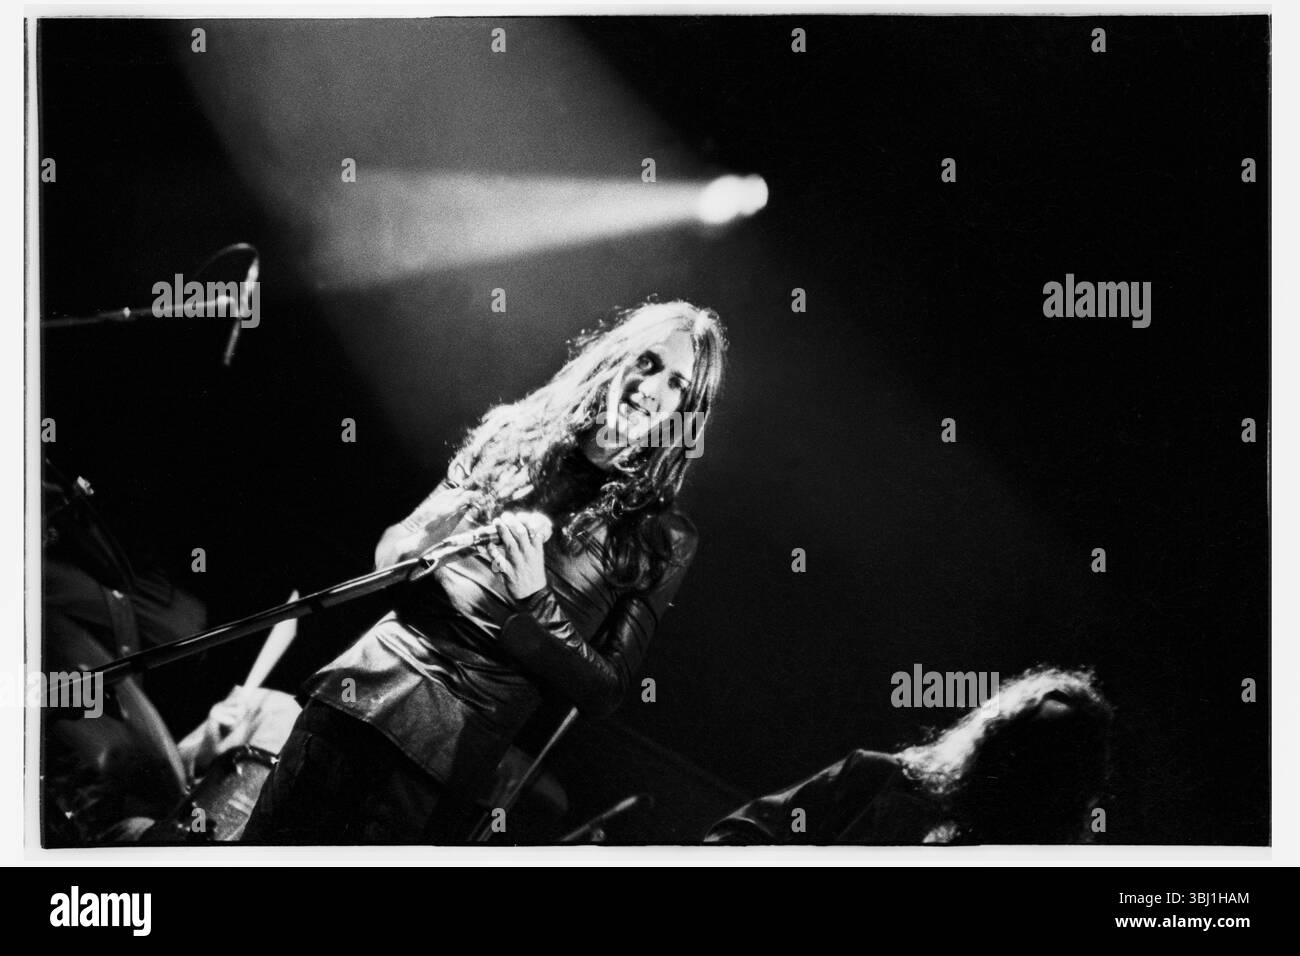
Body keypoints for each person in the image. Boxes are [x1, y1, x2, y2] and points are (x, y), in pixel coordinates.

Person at [244, 300, 728, 844]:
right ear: (616, 358)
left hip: (445, 752)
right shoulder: (514, 433)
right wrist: (429, 534)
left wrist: (535, 599)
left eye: (677, 386)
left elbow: (606, 691)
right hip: (358, 694)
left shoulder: (663, 536)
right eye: (648, 362)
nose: (652, 387)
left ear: (688, 412)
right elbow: (392, 551)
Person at [704, 666, 1113, 845]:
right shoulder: (875, 778)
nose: (1023, 766)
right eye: (1023, 743)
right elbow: (743, 834)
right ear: (995, 737)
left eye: (1049, 765)